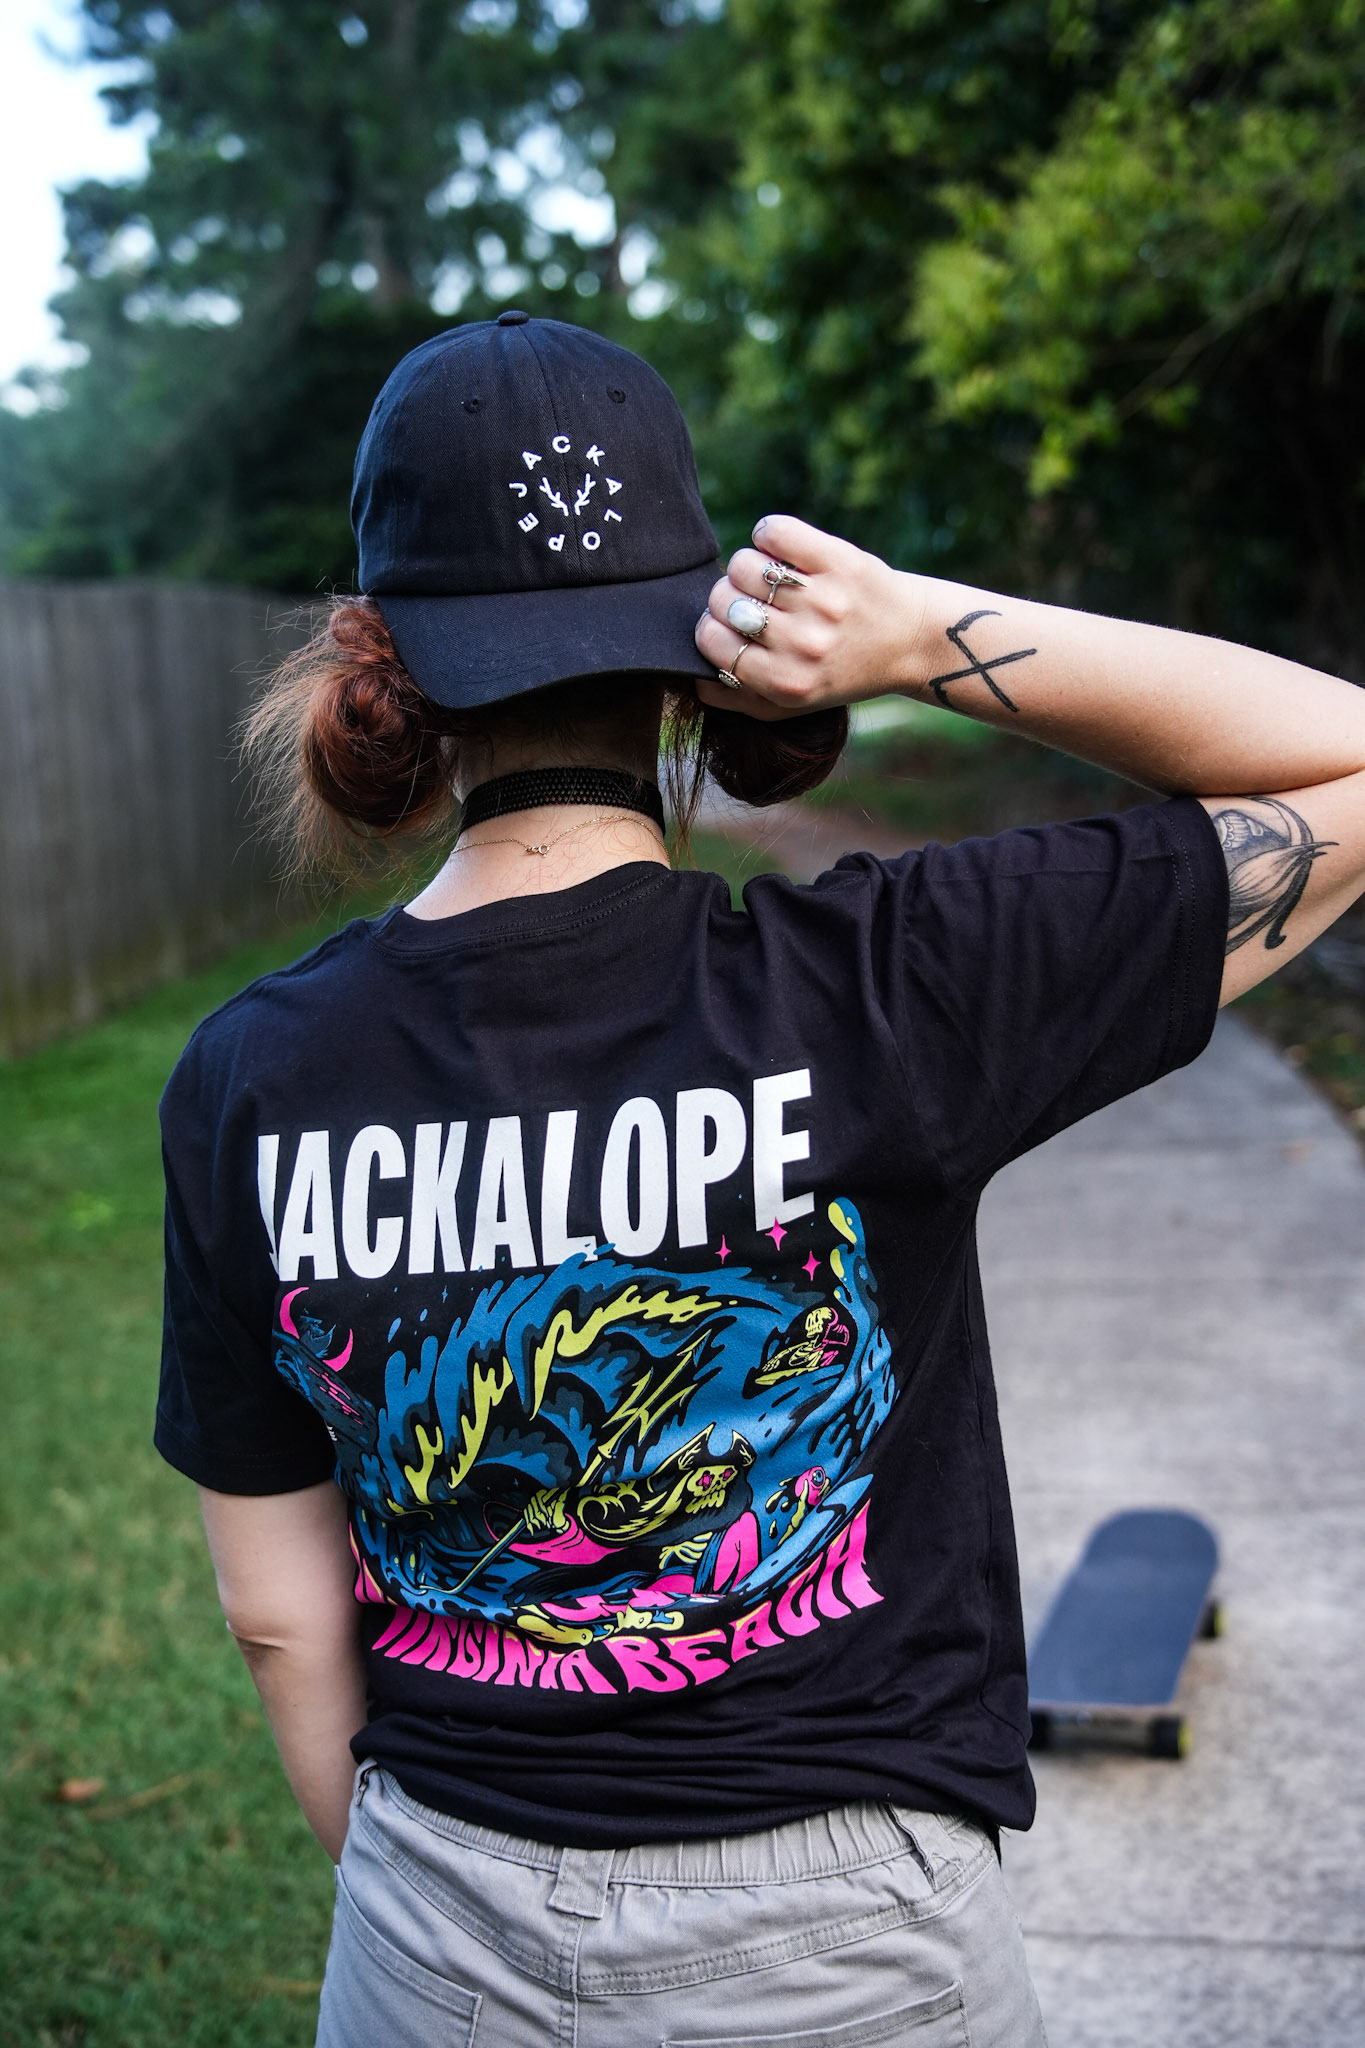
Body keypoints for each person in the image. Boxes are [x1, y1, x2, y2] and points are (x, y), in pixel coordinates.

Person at [154, 311, 1365, 2048]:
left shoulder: (249, 1076)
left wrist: (424, 1894)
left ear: (381, 660)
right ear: (700, 658)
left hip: (434, 1914)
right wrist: (916, 636)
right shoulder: (885, 983)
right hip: (848, 1945)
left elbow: (274, 1613)